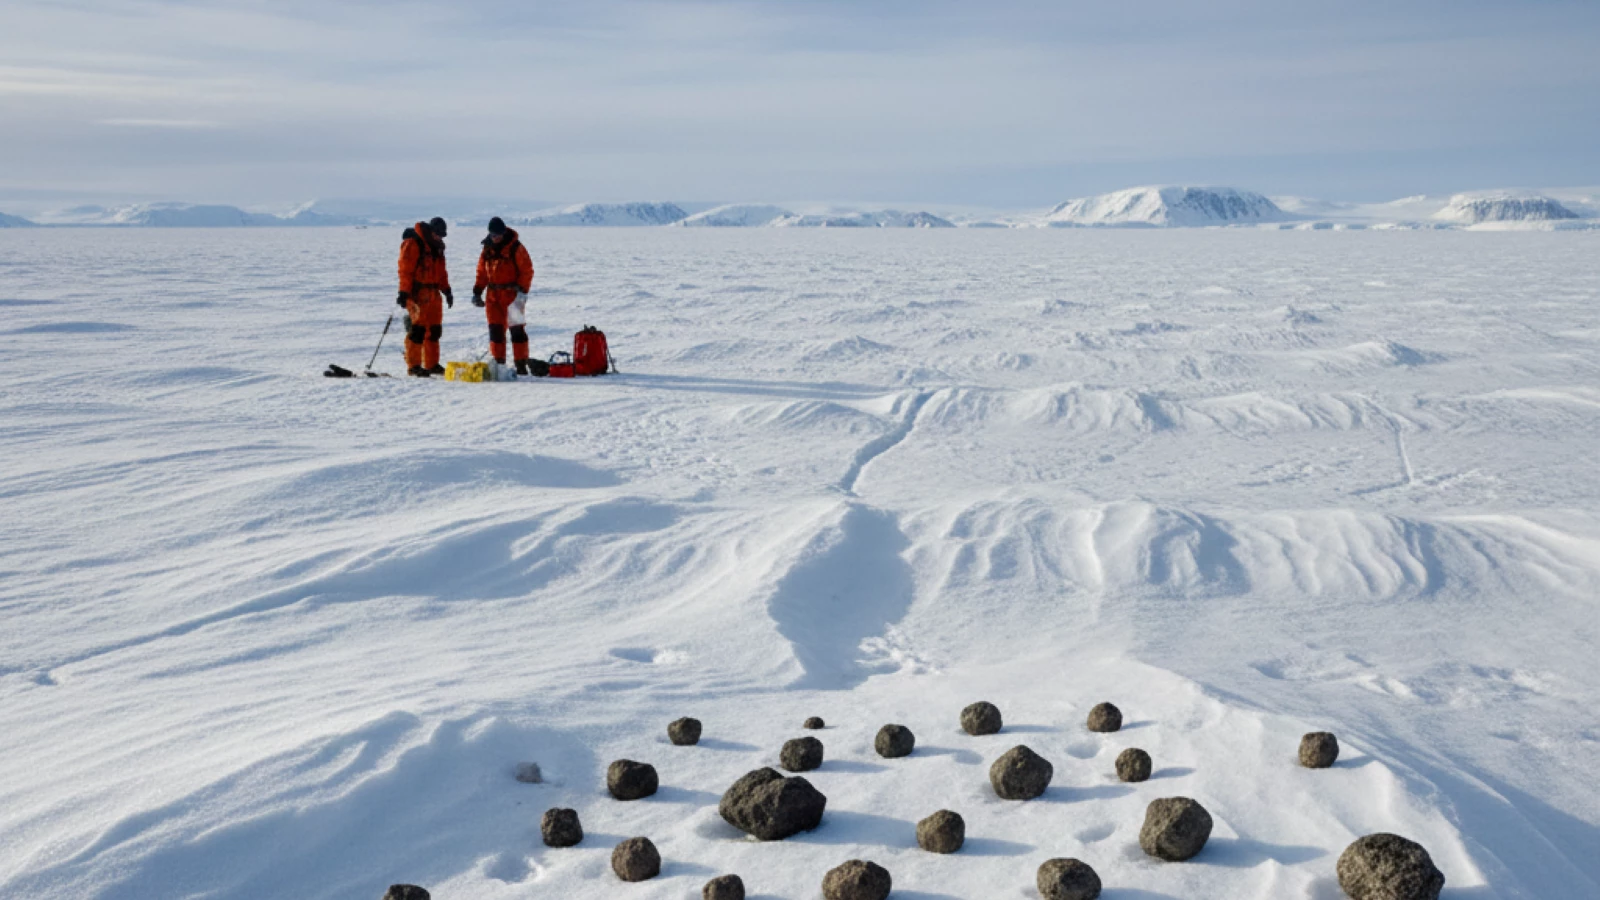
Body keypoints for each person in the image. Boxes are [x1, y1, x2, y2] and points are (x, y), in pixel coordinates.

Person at [471, 217, 535, 374]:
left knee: (517, 330)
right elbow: (482, 273)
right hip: (493, 296)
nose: (496, 238)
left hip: (513, 295)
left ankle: (521, 364)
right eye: (493, 235)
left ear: (504, 232)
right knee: (496, 330)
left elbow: (527, 271)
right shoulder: (487, 249)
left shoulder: (516, 248)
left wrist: (522, 292)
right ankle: (499, 364)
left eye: (498, 234)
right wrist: (477, 292)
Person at [397, 217, 453, 377]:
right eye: (438, 234)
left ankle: (431, 364)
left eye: (442, 235)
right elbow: (405, 270)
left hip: (434, 294)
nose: (439, 238)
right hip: (417, 294)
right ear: (431, 231)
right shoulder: (414, 244)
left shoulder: (438, 248)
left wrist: (447, 290)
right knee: (417, 330)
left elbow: (441, 272)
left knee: (434, 330)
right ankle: (414, 366)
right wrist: (403, 292)